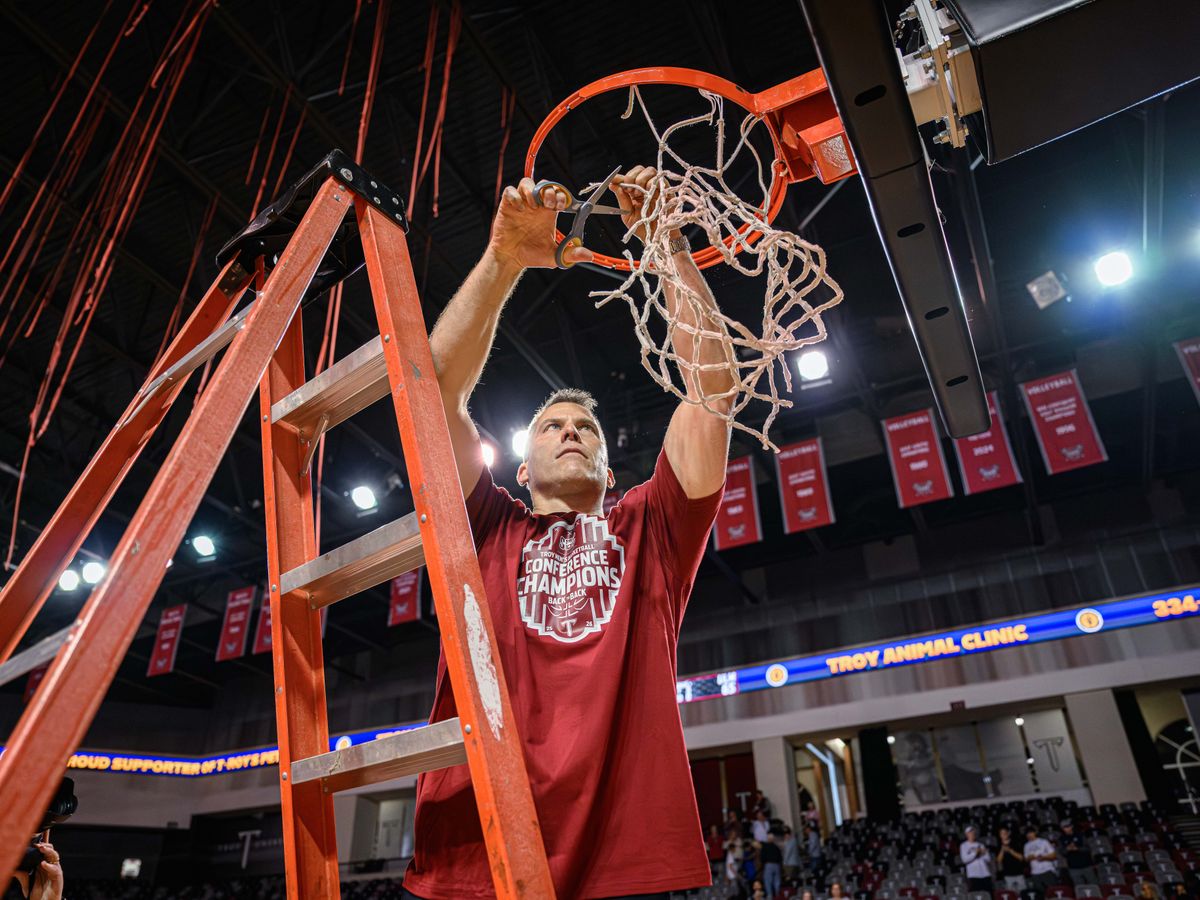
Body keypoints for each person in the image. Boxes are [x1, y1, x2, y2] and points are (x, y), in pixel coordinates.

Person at [400, 166, 734, 900]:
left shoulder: (652, 526)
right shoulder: (488, 525)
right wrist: (503, 260)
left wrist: (664, 243)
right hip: (477, 845)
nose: (571, 432)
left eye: (586, 427)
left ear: (613, 472)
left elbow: (712, 391)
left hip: (623, 856)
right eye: (551, 426)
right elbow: (433, 392)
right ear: (520, 469)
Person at [1024, 826, 1059, 897]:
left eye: (1031, 833)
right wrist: (1031, 857)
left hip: (1047, 870)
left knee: (1053, 893)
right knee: (1040, 895)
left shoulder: (1043, 842)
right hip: (1035, 873)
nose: (1029, 835)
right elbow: (1026, 859)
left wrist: (1043, 857)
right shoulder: (1026, 845)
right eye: (1027, 834)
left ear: (1035, 833)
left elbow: (1053, 855)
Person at [1059, 820, 1095, 886]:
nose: (1066, 829)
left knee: (1094, 884)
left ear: (1071, 826)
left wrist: (1077, 848)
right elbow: (1062, 852)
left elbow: (1088, 849)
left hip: (1086, 865)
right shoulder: (1061, 839)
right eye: (1064, 827)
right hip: (1073, 867)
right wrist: (1068, 849)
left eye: (1068, 826)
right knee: (1079, 887)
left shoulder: (1080, 835)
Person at [961, 825, 994, 894]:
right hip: (973, 875)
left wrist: (982, 853)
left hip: (985, 874)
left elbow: (988, 859)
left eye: (973, 832)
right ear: (967, 834)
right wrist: (976, 853)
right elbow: (965, 860)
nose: (973, 834)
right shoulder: (964, 845)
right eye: (970, 832)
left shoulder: (981, 845)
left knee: (988, 894)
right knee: (976, 895)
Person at [996, 826, 1027, 892]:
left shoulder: (1015, 843)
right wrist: (1002, 849)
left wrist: (1010, 850)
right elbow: (998, 860)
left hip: (1019, 873)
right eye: (1001, 833)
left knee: (1022, 893)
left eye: (1004, 833)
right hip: (1007, 874)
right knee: (1011, 895)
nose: (1003, 835)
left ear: (1008, 833)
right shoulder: (998, 845)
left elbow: (1021, 857)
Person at [761, 832, 783, 900]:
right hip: (776, 865)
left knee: (768, 881)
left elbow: (762, 857)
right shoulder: (776, 847)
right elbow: (780, 857)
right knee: (777, 881)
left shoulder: (765, 847)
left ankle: (770, 895)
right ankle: (777, 895)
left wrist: (763, 863)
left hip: (768, 864)